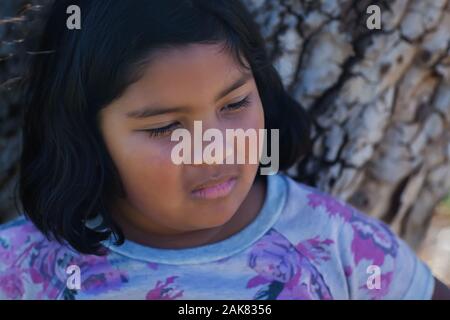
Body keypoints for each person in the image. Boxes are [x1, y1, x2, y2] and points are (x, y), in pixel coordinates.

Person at [1, 0, 448, 299]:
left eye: (235, 104)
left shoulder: (339, 244)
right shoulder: (20, 268)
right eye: (165, 128)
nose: (214, 150)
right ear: (87, 136)